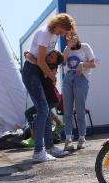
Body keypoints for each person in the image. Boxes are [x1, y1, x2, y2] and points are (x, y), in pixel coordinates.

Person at [22, 13, 75, 162]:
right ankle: (38, 151)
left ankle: (50, 148)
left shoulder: (55, 34)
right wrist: (52, 77)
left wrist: (69, 37)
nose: (62, 34)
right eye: (62, 31)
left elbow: (50, 57)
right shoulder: (46, 33)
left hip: (39, 72)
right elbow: (40, 61)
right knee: (43, 109)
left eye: (64, 32)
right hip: (32, 72)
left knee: (44, 110)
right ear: (56, 24)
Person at [23, 50, 66, 149]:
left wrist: (31, 57)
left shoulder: (52, 68)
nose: (49, 57)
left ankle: (35, 138)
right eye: (50, 55)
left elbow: (44, 71)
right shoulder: (46, 65)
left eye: (52, 57)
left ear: (56, 62)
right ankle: (58, 125)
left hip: (52, 99)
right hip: (48, 98)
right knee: (43, 114)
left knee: (37, 114)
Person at [62, 32, 96, 150]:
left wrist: (82, 64)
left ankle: (82, 137)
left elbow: (93, 64)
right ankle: (68, 139)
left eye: (73, 36)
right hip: (68, 78)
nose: (71, 38)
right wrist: (69, 46)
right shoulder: (67, 49)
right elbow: (63, 60)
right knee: (67, 110)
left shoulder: (85, 46)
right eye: (68, 37)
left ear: (77, 37)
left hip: (81, 77)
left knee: (80, 109)